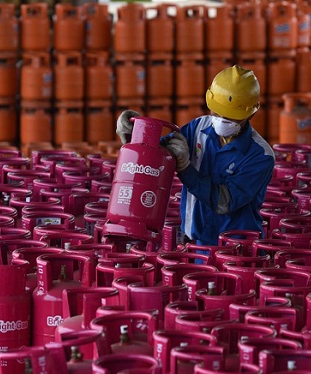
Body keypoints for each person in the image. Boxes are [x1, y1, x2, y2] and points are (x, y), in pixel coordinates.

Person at [116, 65, 275, 246]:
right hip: (195, 244)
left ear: (250, 114)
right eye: (217, 112)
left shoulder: (260, 156)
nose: (221, 120)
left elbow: (224, 202)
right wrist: (135, 136)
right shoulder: (199, 128)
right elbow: (157, 154)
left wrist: (185, 169)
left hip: (237, 249)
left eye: (230, 117)